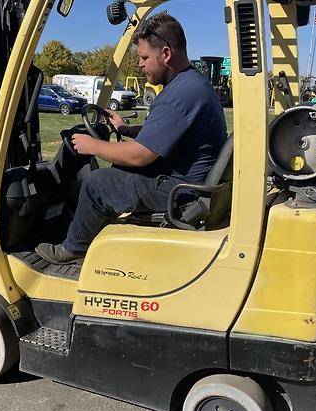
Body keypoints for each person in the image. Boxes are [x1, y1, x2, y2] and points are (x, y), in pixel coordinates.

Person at [35, 12, 227, 264]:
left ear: (166, 54)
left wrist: (92, 145)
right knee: (116, 168)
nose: (140, 64)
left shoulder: (178, 95)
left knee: (96, 183)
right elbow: (173, 131)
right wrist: (127, 130)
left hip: (177, 191)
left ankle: (72, 249)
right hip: (187, 180)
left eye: (144, 57)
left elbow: (139, 156)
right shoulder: (192, 85)